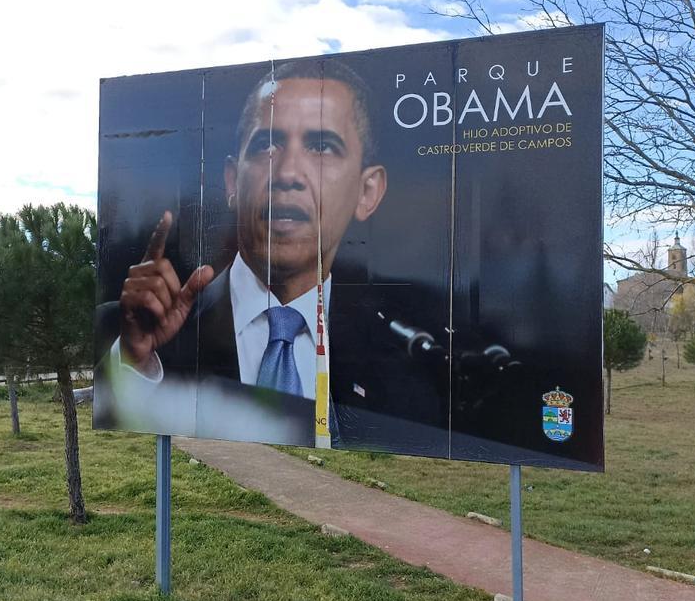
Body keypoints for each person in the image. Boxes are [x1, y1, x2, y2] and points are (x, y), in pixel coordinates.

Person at [96, 59, 457, 452]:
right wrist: (134, 361)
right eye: (267, 144)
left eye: (321, 146)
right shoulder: (139, 334)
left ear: (367, 191)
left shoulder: (407, 362)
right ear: (232, 181)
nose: (287, 172)